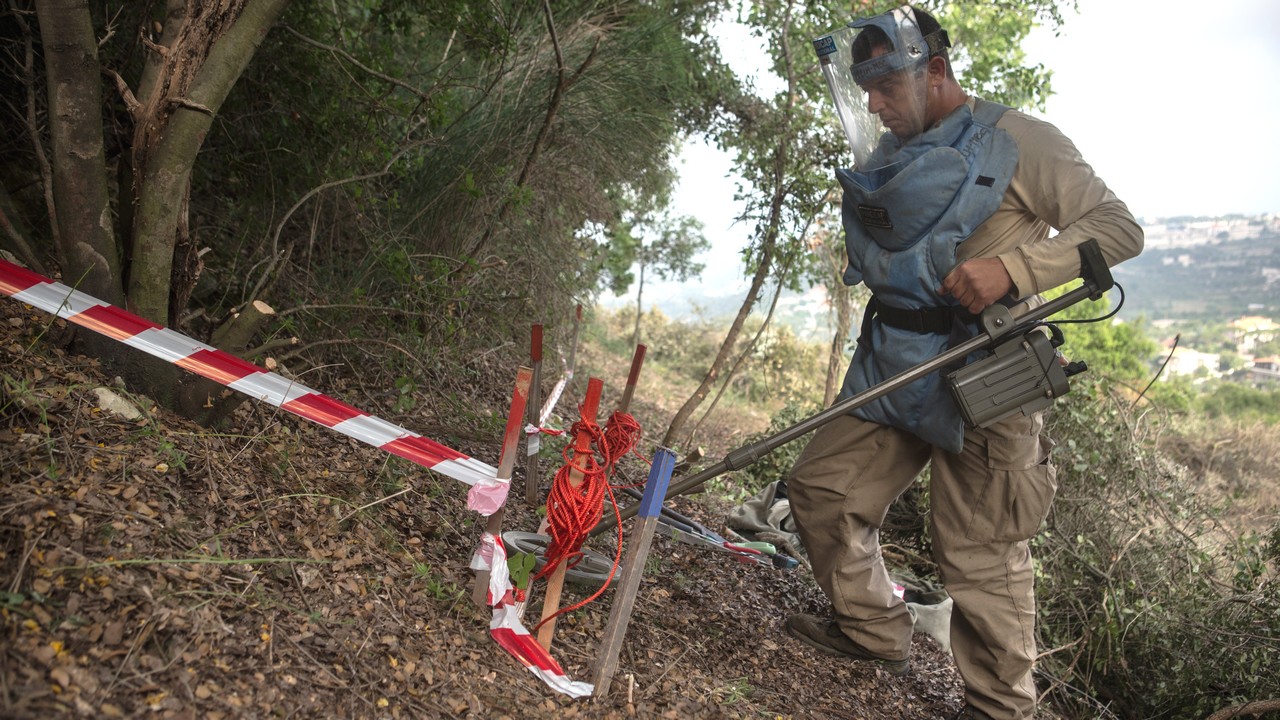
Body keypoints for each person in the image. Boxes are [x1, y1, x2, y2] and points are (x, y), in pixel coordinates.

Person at [786, 6, 1143, 720]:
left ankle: (1000, 709)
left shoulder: (1021, 140)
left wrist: (1014, 268)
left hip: (986, 370)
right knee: (822, 489)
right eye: (867, 91)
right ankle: (872, 629)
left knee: (980, 552)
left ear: (937, 71)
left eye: (887, 87)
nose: (875, 105)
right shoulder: (893, 149)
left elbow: (1117, 227)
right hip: (895, 360)